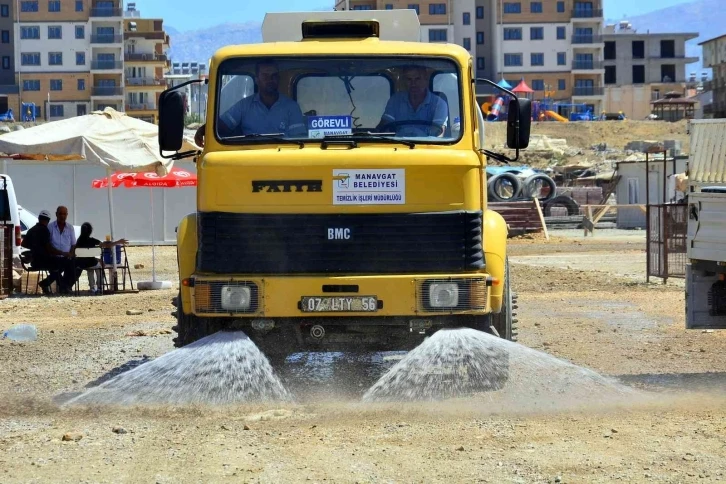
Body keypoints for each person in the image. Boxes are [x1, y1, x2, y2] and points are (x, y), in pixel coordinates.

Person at [194, 59, 305, 147]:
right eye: (265, 76)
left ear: (278, 79)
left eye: (274, 76)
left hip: (283, 159)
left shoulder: (291, 107)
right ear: (257, 79)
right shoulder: (244, 105)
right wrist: (203, 130)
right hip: (250, 157)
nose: (270, 80)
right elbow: (223, 125)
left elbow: (298, 141)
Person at [376, 65, 449, 137]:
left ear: (426, 79)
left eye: (417, 79)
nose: (413, 84)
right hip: (397, 146)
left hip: (426, 147)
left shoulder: (439, 104)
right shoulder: (395, 100)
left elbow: (438, 135)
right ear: (404, 81)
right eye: (409, 79)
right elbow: (385, 127)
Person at [20, 209, 74, 295]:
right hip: (44, 261)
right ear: (48, 220)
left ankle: (49, 284)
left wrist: (35, 246)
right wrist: (62, 253)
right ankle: (63, 287)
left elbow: (23, 243)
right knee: (65, 263)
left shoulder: (32, 230)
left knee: (58, 266)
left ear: (38, 218)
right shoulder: (44, 230)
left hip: (34, 261)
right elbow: (49, 248)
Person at [75, 222, 128, 295]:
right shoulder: (92, 240)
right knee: (98, 267)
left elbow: (84, 255)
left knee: (90, 269)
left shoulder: (78, 240)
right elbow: (107, 245)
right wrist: (118, 241)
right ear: (90, 231)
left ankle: (92, 288)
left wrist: (97, 260)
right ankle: (99, 287)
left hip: (81, 264)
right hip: (91, 262)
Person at [47, 205, 79, 294]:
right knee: (57, 268)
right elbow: (48, 244)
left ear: (67, 215)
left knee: (75, 266)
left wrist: (71, 253)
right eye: (60, 214)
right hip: (54, 256)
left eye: (64, 214)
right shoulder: (50, 227)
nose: (62, 216)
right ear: (56, 214)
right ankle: (64, 287)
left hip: (67, 257)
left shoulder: (70, 228)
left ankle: (65, 287)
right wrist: (60, 253)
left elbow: (73, 244)